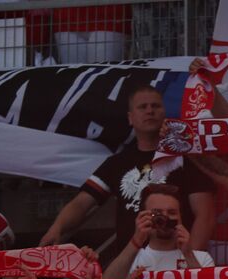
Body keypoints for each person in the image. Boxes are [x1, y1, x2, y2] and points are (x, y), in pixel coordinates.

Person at [41, 84, 211, 253]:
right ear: (130, 117)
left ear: (164, 113)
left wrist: (191, 264)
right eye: (143, 107)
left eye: (155, 106)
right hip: (130, 269)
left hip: (176, 265)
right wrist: (57, 227)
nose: (150, 111)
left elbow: (205, 215)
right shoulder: (117, 164)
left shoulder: (185, 160)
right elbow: (82, 203)